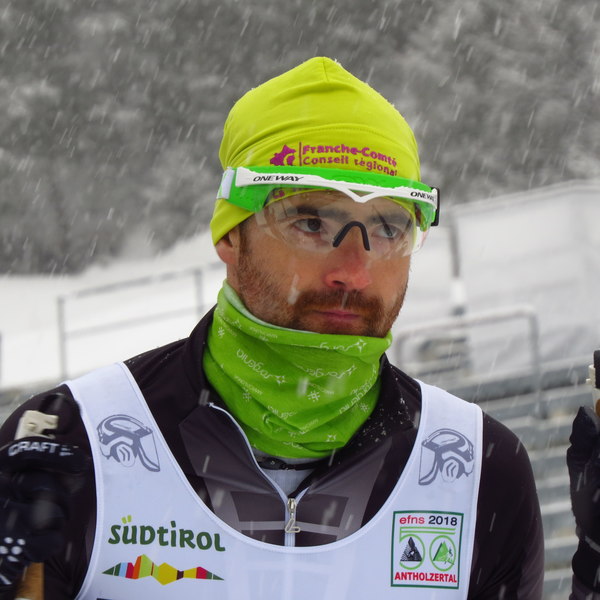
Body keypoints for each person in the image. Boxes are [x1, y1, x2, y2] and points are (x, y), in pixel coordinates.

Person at [0, 57, 545, 599]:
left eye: (387, 228)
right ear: (230, 234)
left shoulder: (478, 470)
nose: (353, 271)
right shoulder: (71, 445)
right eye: (311, 222)